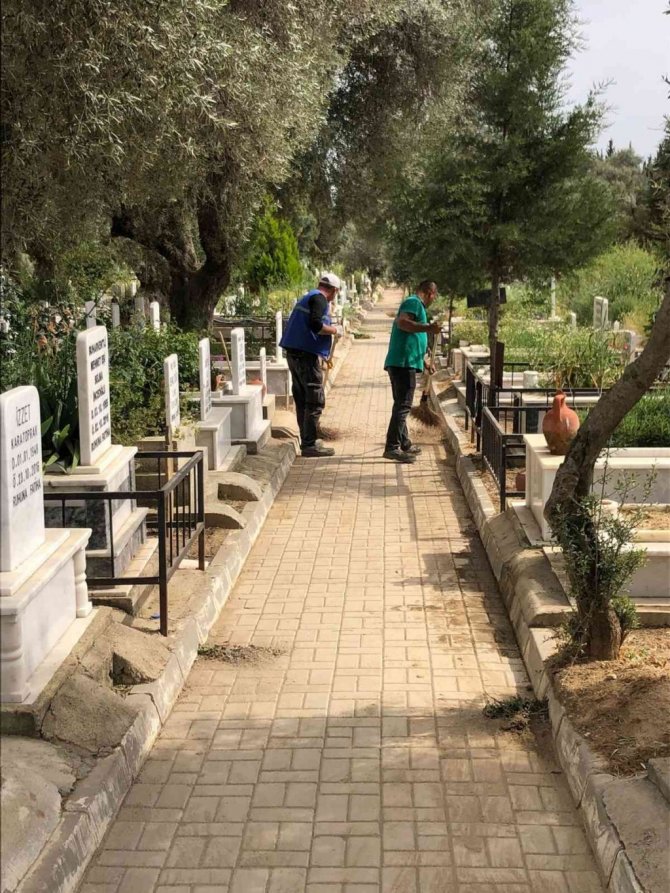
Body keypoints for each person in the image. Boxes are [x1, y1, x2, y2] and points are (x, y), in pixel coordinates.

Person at [280, 273, 344, 457]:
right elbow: (316, 325)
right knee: (314, 398)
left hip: (294, 353)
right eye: (336, 293)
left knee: (302, 398)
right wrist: (335, 330)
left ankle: (307, 440)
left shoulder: (309, 296)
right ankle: (309, 444)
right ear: (334, 290)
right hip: (305, 356)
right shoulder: (320, 299)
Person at [383, 280, 441, 463]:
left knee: (401, 404)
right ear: (430, 293)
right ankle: (392, 447)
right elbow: (402, 323)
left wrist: (424, 362)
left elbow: (411, 339)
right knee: (403, 406)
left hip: (405, 361)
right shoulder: (414, 302)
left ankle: (404, 443)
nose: (433, 299)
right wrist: (429, 328)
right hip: (403, 363)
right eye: (434, 296)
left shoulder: (416, 305)